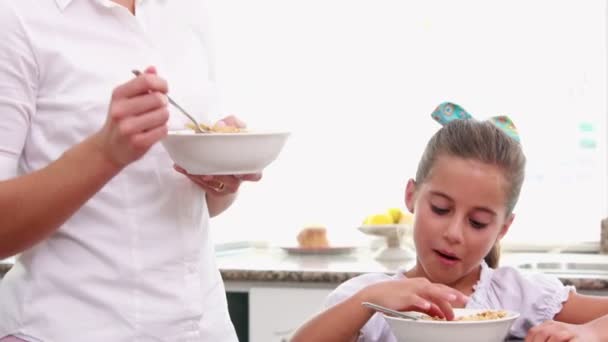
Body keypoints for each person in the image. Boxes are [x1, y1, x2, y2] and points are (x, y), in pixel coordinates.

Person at [0, 0, 261, 341]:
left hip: (205, 328)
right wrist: (104, 153)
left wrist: (220, 179)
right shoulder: (16, 17)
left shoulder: (188, 13)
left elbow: (197, 206)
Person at [291, 102, 608, 342]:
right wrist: (366, 302)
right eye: (441, 209)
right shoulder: (369, 295)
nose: (453, 233)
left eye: (478, 222)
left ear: (503, 229)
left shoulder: (517, 295)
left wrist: (592, 333)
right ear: (411, 196)